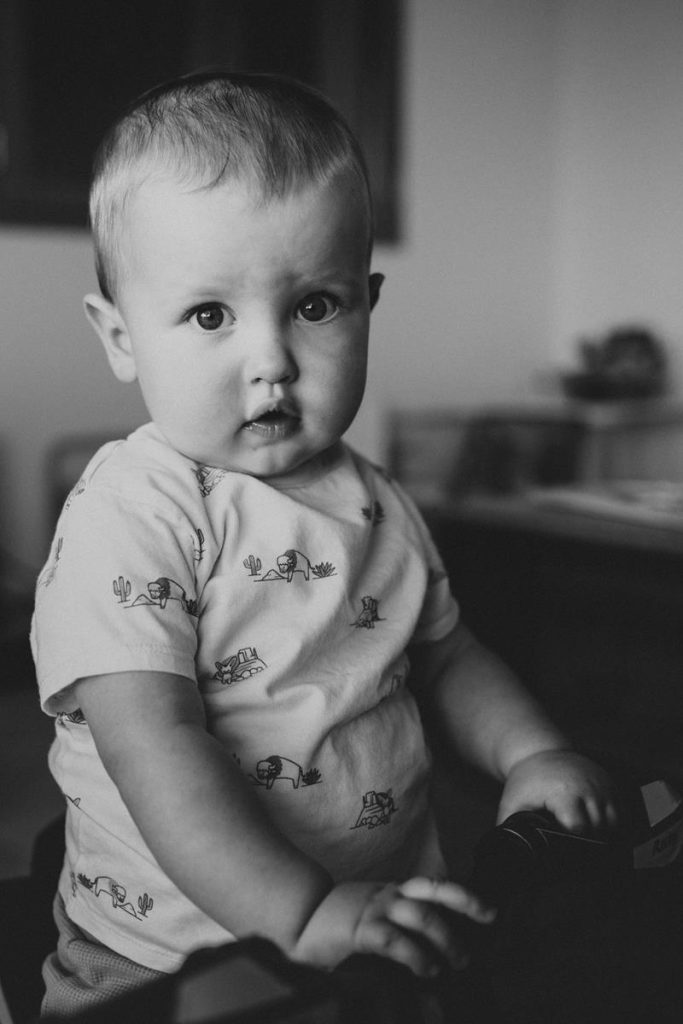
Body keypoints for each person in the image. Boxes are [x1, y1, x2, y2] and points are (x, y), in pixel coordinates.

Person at [31, 71, 618, 1017]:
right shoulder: (133, 514)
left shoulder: (373, 498)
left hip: (379, 919)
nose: (270, 361)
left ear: (366, 300)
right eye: (210, 315)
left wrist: (532, 755)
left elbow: (446, 654)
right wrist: (302, 914)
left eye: (314, 305)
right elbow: (155, 744)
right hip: (171, 957)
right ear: (121, 336)